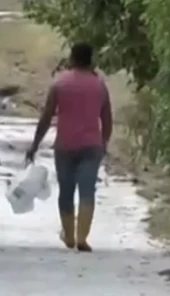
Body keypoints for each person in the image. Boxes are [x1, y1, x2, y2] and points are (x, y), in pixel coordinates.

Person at [25, 42, 112, 253]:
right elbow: (107, 119)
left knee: (66, 191)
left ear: (72, 58)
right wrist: (104, 144)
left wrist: (35, 145)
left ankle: (69, 236)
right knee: (87, 190)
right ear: (90, 60)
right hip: (92, 146)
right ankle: (82, 237)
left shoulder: (59, 83)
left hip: (65, 146)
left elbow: (46, 117)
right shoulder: (99, 85)